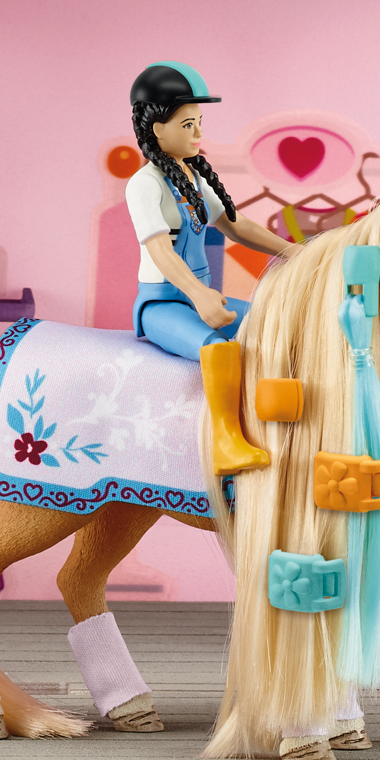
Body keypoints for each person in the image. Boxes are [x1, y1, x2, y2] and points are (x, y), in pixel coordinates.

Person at [126, 61, 300, 475]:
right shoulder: (144, 185)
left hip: (200, 297)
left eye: (199, 123)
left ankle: (280, 420)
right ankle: (225, 441)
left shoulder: (191, 178)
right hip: (163, 306)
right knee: (216, 347)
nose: (198, 134)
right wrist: (200, 295)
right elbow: (161, 251)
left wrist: (296, 252)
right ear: (158, 129)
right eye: (188, 125)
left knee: (273, 324)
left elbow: (237, 227)